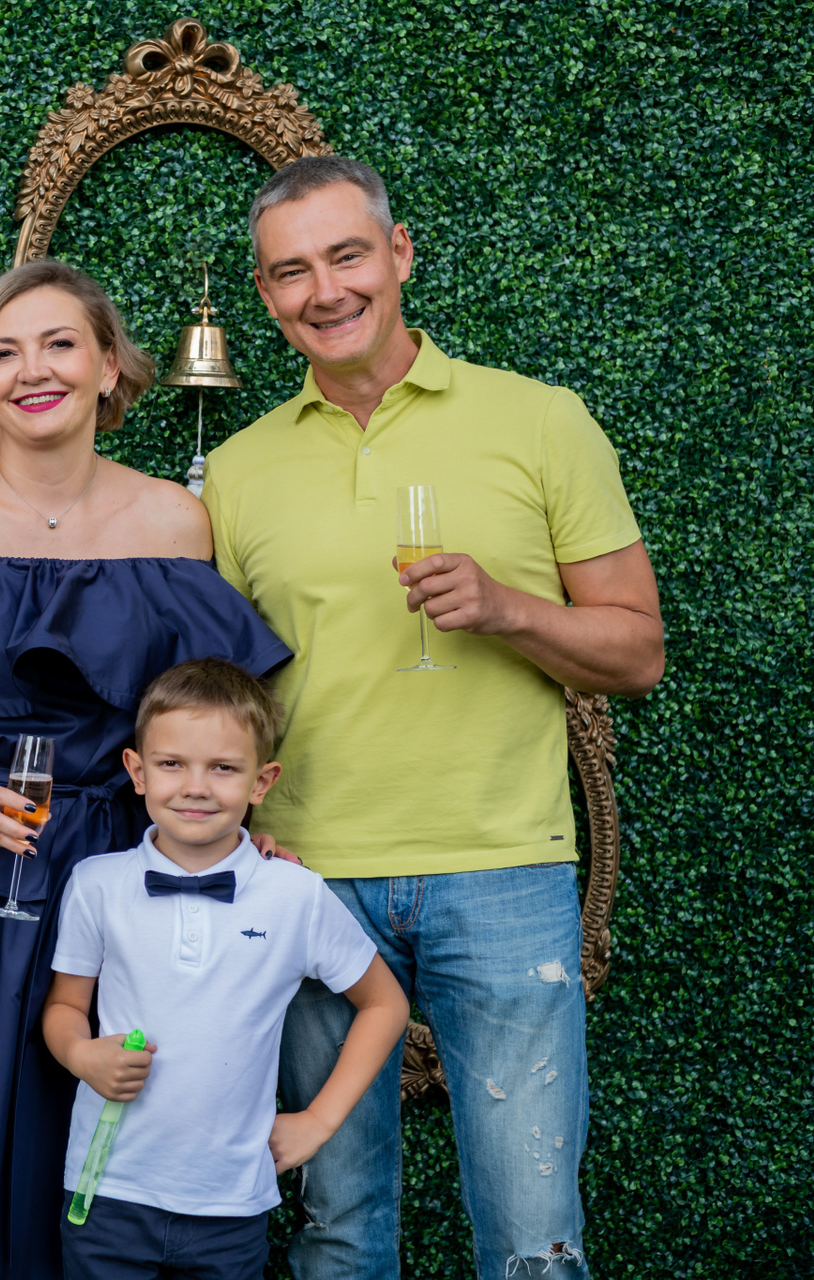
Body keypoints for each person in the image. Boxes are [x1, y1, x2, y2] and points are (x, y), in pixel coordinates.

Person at [202, 155, 666, 1278]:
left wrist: (508, 609)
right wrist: (236, 825)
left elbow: (639, 650)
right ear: (265, 294)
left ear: (399, 254)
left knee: (534, 1240)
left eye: (347, 256)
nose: (325, 291)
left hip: (502, 868)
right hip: (309, 880)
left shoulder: (540, 421)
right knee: (335, 1229)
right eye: (292, 271)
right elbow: (224, 692)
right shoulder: (240, 470)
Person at [0, 259, 293, 1280]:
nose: (33, 370)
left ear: (110, 366)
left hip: (111, 880)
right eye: (5, 352)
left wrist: (244, 840)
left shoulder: (174, 524)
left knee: (80, 1139)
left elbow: (208, 725)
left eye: (60, 344)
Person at [43, 659, 407, 1280]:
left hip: (232, 1204)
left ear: (261, 781)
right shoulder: (96, 884)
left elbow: (386, 1003)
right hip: (106, 1191)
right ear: (137, 771)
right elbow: (64, 1007)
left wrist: (318, 1121)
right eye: (171, 764)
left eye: (223, 768)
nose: (196, 787)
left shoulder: (294, 894)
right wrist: (82, 1055)